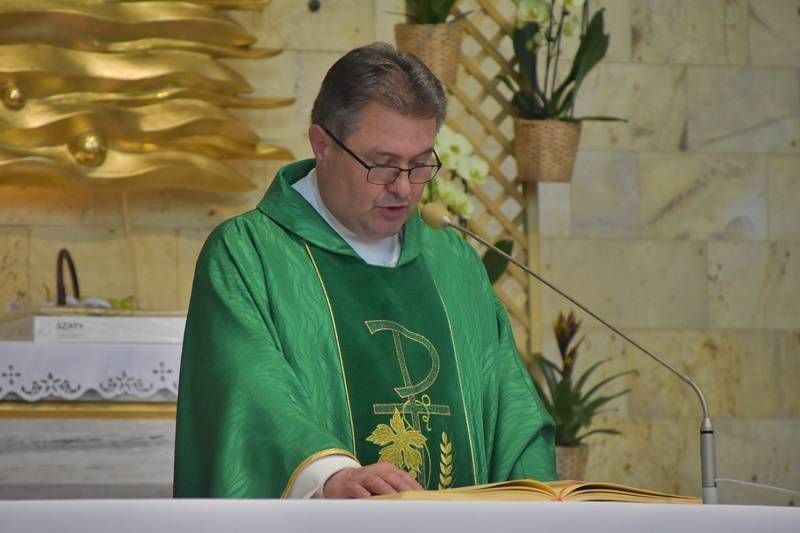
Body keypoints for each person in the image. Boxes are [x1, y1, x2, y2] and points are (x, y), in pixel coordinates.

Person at [173, 42, 556, 499]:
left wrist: (542, 498)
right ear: (321, 144)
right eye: (383, 165)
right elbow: (247, 389)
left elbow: (512, 408)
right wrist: (329, 474)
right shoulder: (249, 253)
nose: (404, 189)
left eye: (420, 164)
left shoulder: (452, 261)